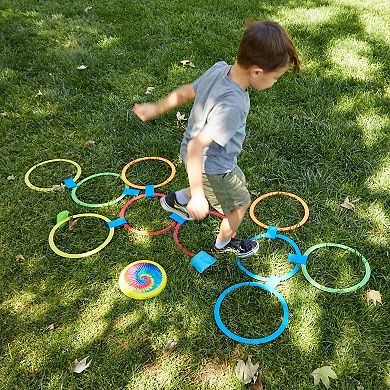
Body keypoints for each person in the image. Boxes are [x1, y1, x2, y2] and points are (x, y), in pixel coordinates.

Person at [132, 20, 300, 258]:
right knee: (240, 204)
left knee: (223, 185)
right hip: (213, 165)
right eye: (275, 78)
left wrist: (156, 108)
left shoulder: (219, 69)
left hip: (199, 157)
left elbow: (186, 91)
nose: (275, 83)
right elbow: (197, 146)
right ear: (257, 72)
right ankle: (223, 244)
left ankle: (177, 199)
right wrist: (199, 197)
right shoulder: (233, 104)